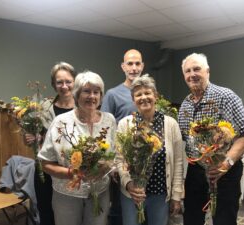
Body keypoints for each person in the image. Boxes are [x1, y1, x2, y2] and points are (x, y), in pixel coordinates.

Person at [178, 53, 244, 225]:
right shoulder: (185, 105)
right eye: (188, 71)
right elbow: (185, 139)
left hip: (226, 172)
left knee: (224, 220)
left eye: (197, 69)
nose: (192, 74)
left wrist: (225, 164)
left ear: (208, 71)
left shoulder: (227, 97)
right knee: (191, 218)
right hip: (196, 172)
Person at [37, 71, 117, 225]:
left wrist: (106, 167)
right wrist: (72, 172)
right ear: (77, 94)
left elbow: (113, 155)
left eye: (96, 92)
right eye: (86, 91)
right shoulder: (61, 122)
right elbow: (45, 163)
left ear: (101, 96)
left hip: (100, 193)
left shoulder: (109, 120)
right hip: (67, 195)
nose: (91, 96)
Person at [116, 75, 184, 225]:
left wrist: (176, 195)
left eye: (147, 93)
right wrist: (128, 184)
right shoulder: (124, 124)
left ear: (156, 96)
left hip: (160, 193)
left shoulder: (171, 124)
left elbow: (179, 162)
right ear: (133, 100)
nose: (143, 97)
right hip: (133, 193)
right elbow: (119, 159)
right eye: (138, 94)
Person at [25, 61, 76, 225]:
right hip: (44, 171)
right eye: (59, 82)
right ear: (54, 85)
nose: (64, 86)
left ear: (75, 82)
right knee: (46, 211)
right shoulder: (43, 108)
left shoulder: (83, 107)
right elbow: (34, 136)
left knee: (70, 213)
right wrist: (29, 139)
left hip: (71, 170)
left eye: (68, 81)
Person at [101, 49, 144, 225]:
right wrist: (112, 165)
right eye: (130, 64)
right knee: (120, 210)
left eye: (137, 63)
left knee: (142, 206)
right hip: (122, 163)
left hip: (144, 162)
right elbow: (104, 131)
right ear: (123, 66)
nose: (133, 68)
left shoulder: (148, 91)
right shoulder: (112, 94)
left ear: (142, 66)